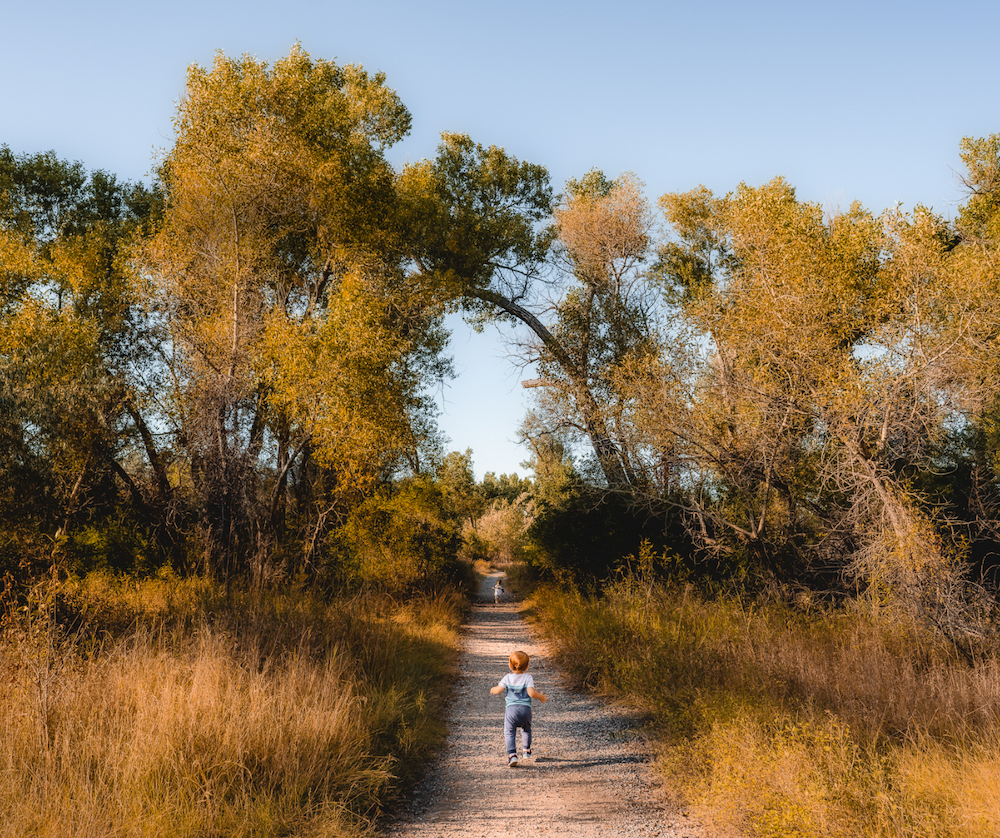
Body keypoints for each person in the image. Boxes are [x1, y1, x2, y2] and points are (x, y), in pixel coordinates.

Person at [490, 650, 548, 767]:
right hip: (525, 710)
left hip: (511, 711)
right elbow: (531, 693)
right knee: (526, 729)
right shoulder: (528, 677)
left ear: (510, 665)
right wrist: (540, 696)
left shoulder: (507, 677)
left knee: (509, 732)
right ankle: (526, 751)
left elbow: (498, 690)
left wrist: (493, 689)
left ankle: (512, 755)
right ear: (527, 666)